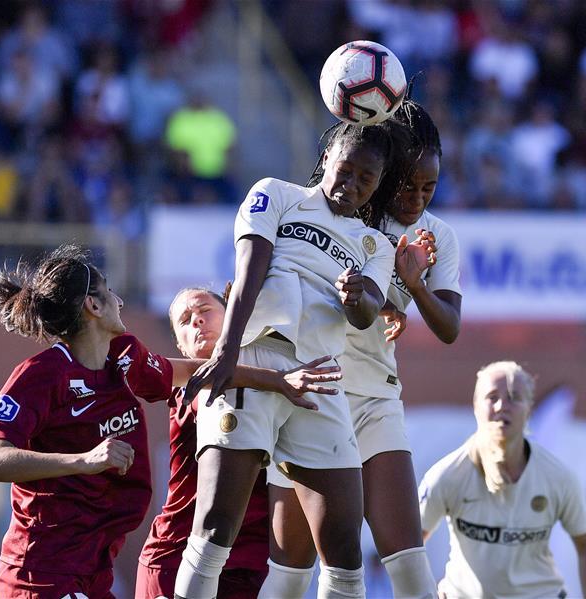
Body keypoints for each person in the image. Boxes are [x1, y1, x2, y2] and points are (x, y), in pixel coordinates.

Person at [0, 244, 342, 599]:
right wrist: (84, 461)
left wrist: (278, 380)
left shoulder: (125, 358)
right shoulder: (43, 374)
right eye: (111, 292)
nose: (120, 301)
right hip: (43, 569)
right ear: (94, 305)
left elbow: (200, 371)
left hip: (95, 567)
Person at [175, 121, 425, 599]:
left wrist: (357, 299)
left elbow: (367, 311)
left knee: (345, 553)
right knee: (214, 529)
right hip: (256, 355)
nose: (350, 185)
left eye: (365, 180)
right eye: (345, 170)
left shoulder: (374, 244)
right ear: (327, 156)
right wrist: (227, 351)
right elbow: (250, 267)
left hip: (323, 380)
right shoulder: (277, 194)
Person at [262, 99, 461, 599]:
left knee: (409, 561)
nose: (416, 199)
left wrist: (412, 289)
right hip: (311, 394)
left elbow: (451, 327)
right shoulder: (339, 209)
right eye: (407, 184)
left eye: (429, 188)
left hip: (374, 398)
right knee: (291, 570)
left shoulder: (436, 236)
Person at [137, 285, 292, 598]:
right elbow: (215, 380)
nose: (196, 321)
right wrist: (279, 381)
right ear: (181, 347)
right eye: (185, 320)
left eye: (205, 310)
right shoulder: (190, 388)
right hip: (178, 556)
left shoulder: (278, 369)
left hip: (251, 562)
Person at [419, 362, 586, 599]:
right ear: (476, 406)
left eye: (513, 398)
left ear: (528, 409)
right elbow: (410, 545)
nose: (501, 406)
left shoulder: (557, 478)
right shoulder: (447, 474)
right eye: (492, 397)